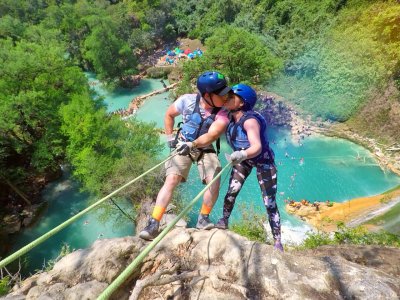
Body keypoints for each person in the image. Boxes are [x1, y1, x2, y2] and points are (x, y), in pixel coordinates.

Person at [139, 71, 231, 240]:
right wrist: (169, 138)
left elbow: (212, 135)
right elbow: (169, 114)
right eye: (221, 94)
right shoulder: (187, 100)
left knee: (214, 177)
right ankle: (154, 222)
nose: (225, 98)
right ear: (207, 95)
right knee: (172, 179)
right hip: (183, 143)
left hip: (204, 147)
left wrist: (193, 144)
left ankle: (203, 218)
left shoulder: (223, 112)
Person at [215, 84, 283, 252]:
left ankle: (278, 241)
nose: (227, 99)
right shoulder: (230, 116)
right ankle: (224, 220)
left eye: (231, 98)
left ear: (241, 103)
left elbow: (257, 147)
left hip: (262, 161)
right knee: (232, 191)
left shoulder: (250, 121)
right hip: (244, 159)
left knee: (269, 202)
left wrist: (242, 155)